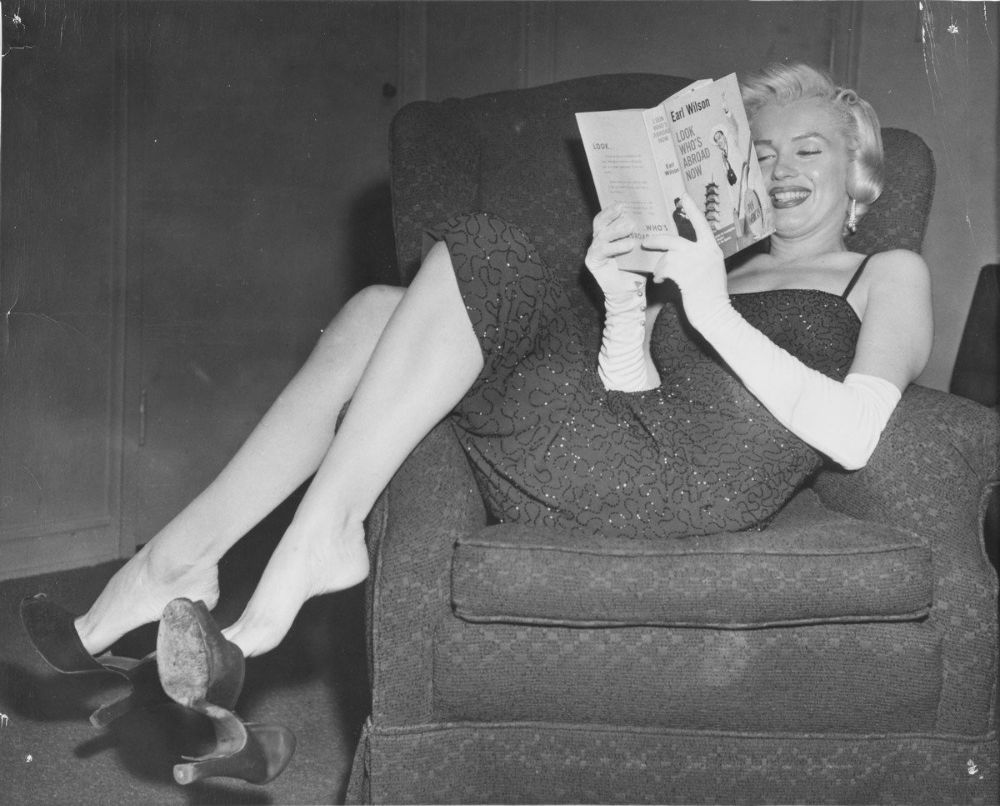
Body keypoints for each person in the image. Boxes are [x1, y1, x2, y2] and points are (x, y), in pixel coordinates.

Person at [21, 62, 932, 784]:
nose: (782, 172)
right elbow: (630, 388)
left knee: (487, 247)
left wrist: (712, 310)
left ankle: (316, 542)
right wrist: (624, 298)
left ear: (859, 173)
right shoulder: (709, 264)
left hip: (689, 494)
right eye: (763, 154)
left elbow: (856, 432)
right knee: (380, 309)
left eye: (809, 150)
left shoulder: (885, 274)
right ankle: (175, 563)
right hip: (614, 449)